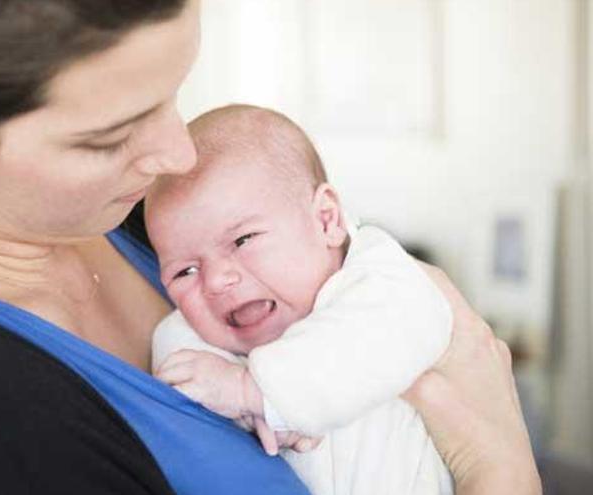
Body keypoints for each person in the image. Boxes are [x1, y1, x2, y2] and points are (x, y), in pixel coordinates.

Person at [0, 0, 540, 494]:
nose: (177, 154)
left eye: (174, 92)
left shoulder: (131, 211)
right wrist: (500, 467)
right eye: (111, 135)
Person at [146, 104, 454, 495]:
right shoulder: (200, 329)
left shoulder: (379, 276)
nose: (217, 281)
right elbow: (182, 366)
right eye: (184, 272)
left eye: (243, 240)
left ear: (326, 219)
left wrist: (252, 392)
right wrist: (233, 399)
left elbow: (400, 329)